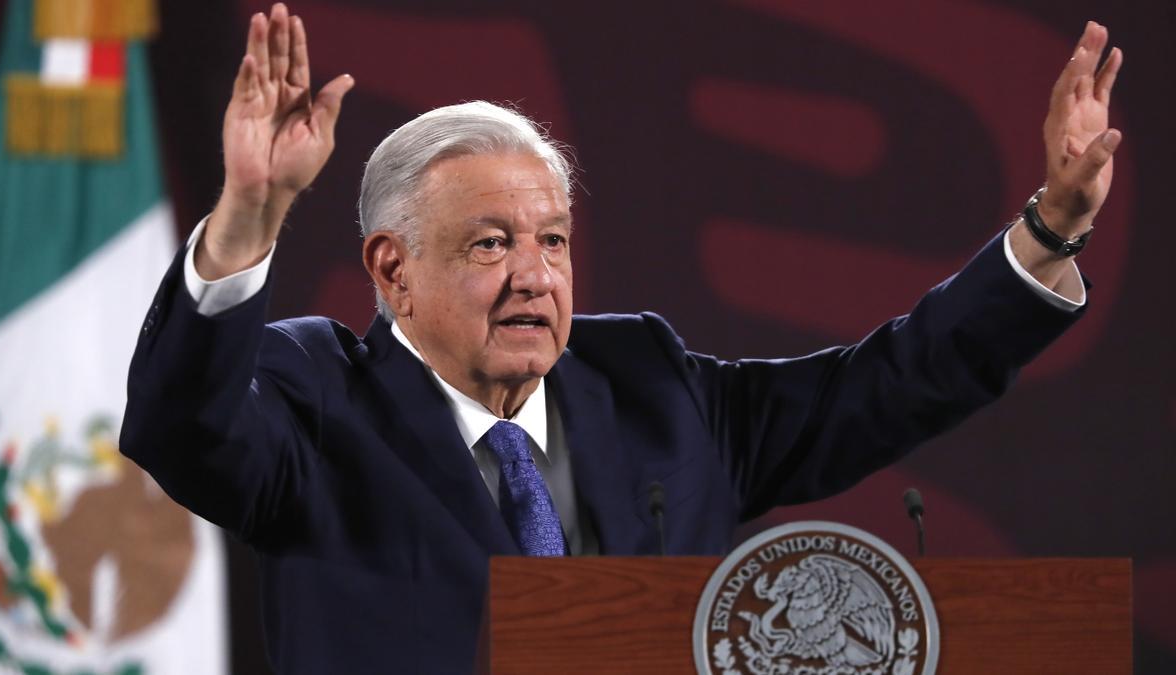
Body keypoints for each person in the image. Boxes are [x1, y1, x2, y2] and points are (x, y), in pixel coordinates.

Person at [120, 4, 1122, 672]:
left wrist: (1049, 232)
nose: (536, 275)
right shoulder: (318, 395)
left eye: (552, 239)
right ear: (392, 271)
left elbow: (890, 381)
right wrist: (251, 213)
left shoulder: (650, 385)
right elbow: (181, 430)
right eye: (490, 244)